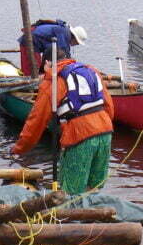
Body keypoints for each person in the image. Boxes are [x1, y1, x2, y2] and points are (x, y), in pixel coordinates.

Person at [11, 46, 114, 194]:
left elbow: (36, 121)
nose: (43, 73)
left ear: (47, 63)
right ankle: (92, 214)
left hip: (79, 136)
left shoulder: (53, 81)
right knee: (95, 188)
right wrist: (103, 127)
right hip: (106, 132)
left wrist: (19, 148)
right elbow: (109, 105)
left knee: (71, 191)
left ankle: (70, 216)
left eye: (43, 68)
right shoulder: (91, 70)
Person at [18, 19, 87, 76]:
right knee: (31, 69)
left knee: (32, 68)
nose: (75, 45)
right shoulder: (64, 33)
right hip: (29, 42)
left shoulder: (63, 30)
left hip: (31, 42)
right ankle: (31, 86)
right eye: (77, 43)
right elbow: (64, 52)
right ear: (75, 38)